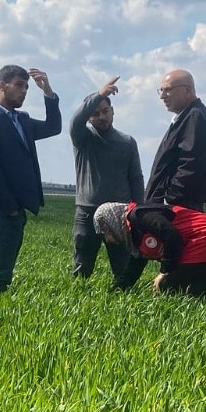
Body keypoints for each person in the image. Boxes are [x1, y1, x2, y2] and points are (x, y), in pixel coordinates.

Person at [0, 64, 61, 293]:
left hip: (13, 211)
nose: (24, 91)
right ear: (2, 85)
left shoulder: (22, 120)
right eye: (19, 85)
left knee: (1, 271)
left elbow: (54, 127)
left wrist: (48, 92)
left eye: (27, 87)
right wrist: (10, 208)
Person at [69, 76, 143, 280]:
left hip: (118, 214)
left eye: (105, 111)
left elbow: (136, 178)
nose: (102, 117)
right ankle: (78, 301)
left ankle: (123, 300)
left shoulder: (127, 142)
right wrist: (100, 94)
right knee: (82, 266)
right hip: (87, 212)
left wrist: (138, 212)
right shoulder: (83, 138)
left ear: (113, 111)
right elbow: (76, 119)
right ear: (89, 117)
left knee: (122, 266)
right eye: (95, 113)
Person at [93, 200, 206, 301]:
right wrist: (115, 291)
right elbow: (135, 266)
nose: (109, 240)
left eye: (106, 232)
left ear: (111, 222)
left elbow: (171, 236)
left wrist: (164, 272)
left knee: (166, 289)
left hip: (204, 238)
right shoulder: (134, 232)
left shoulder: (139, 216)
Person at [144, 68, 206, 209]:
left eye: (168, 90)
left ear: (187, 90)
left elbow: (191, 163)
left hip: (178, 209)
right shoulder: (185, 118)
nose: (162, 96)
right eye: (161, 90)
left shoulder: (195, 117)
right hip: (170, 206)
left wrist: (170, 199)